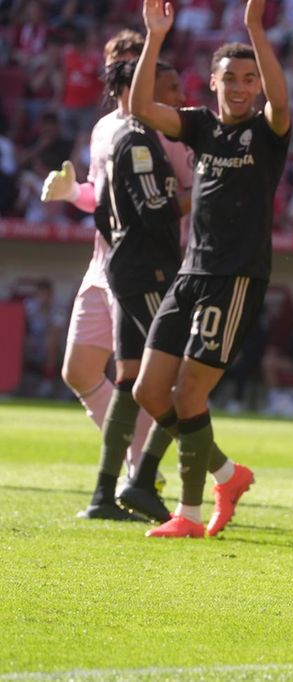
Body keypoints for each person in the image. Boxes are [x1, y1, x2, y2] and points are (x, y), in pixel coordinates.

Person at [128, 0, 287, 538]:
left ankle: (189, 515)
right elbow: (141, 105)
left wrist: (255, 27)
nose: (241, 87)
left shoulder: (268, 132)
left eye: (250, 79)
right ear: (213, 82)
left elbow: (281, 100)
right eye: (231, 78)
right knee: (150, 392)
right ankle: (226, 472)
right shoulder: (200, 127)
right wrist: (154, 37)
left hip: (235, 277)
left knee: (189, 393)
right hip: (190, 273)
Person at [39, 31, 173, 482]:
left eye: (135, 62)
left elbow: (178, 197)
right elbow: (102, 197)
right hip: (103, 262)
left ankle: (165, 471)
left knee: (142, 376)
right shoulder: (102, 129)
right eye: (117, 63)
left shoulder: (166, 128)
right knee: (79, 370)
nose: (125, 71)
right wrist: (73, 193)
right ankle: (140, 464)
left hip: (143, 264)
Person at [77, 59, 189, 523]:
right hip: (148, 273)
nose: (180, 96)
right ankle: (151, 480)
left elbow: (104, 210)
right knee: (181, 379)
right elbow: (158, 211)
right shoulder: (137, 142)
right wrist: (209, 188)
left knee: (128, 382)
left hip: (129, 268)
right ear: (141, 90)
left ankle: (105, 493)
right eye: (171, 87)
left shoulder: (140, 138)